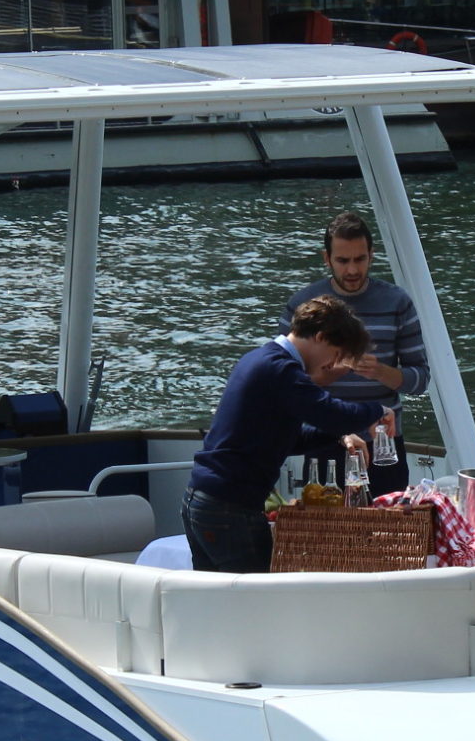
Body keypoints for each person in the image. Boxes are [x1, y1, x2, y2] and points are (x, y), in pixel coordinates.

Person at [182, 296, 386, 573]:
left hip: (204, 499)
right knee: (259, 604)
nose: (331, 365)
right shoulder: (281, 370)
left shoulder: (261, 359)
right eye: (336, 355)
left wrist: (339, 436)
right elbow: (332, 413)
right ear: (321, 337)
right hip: (230, 506)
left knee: (215, 604)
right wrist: (380, 410)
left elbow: (289, 439)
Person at [284, 209, 426, 497]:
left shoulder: (397, 302)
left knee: (390, 532)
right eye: (343, 260)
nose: (352, 270)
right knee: (329, 534)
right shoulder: (303, 305)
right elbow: (287, 380)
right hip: (326, 441)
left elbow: (420, 380)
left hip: (383, 444)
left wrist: (382, 372)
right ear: (327, 259)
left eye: (360, 259)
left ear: (372, 255)